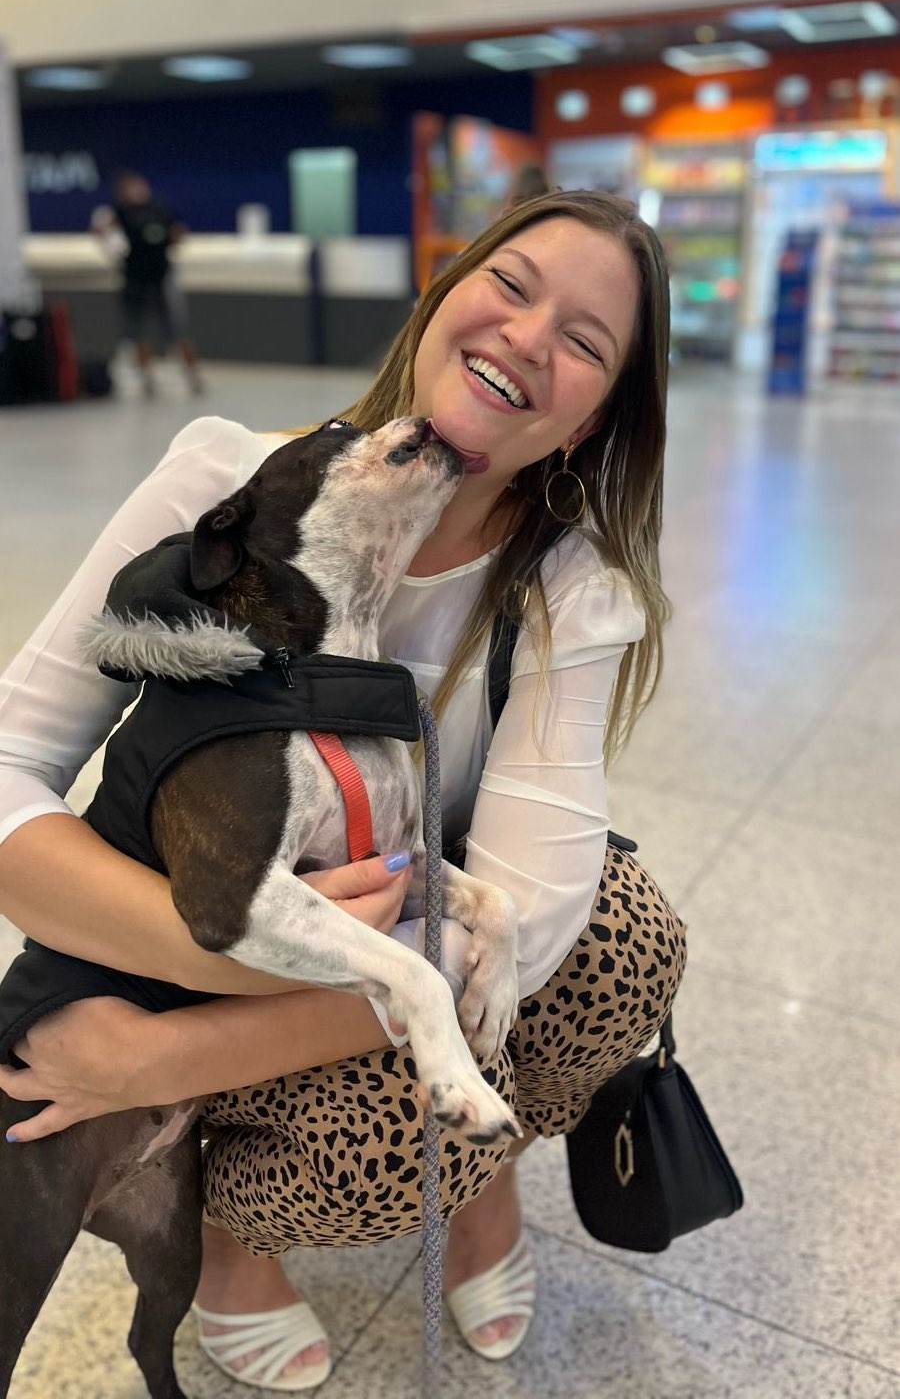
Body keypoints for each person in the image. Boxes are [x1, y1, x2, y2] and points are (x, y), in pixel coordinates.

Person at [0, 190, 686, 1390]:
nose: (529, 337)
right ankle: (236, 1236)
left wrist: (159, 1060)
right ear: (443, 293)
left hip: (379, 929)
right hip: (243, 920)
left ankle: (480, 1182)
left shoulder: (566, 586)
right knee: (421, 1042)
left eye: (584, 340)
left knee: (621, 938)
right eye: (511, 285)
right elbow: (13, 768)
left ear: (592, 420)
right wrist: (205, 951)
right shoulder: (231, 481)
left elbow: (535, 919)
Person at [93, 170, 203, 398]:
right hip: (135, 279)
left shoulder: (160, 208)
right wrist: (112, 249)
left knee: (178, 329)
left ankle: (193, 376)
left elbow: (177, 233)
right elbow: (101, 230)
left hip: (161, 276)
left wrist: (170, 240)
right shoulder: (121, 212)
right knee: (139, 331)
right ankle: (147, 378)